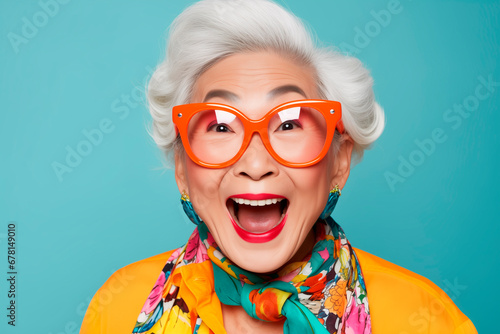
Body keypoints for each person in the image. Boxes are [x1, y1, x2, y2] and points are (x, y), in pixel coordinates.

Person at [80, 0, 477, 333]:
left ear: (338, 161)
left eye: (289, 124)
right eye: (220, 125)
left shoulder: (424, 318)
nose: (255, 163)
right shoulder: (118, 307)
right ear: (183, 168)